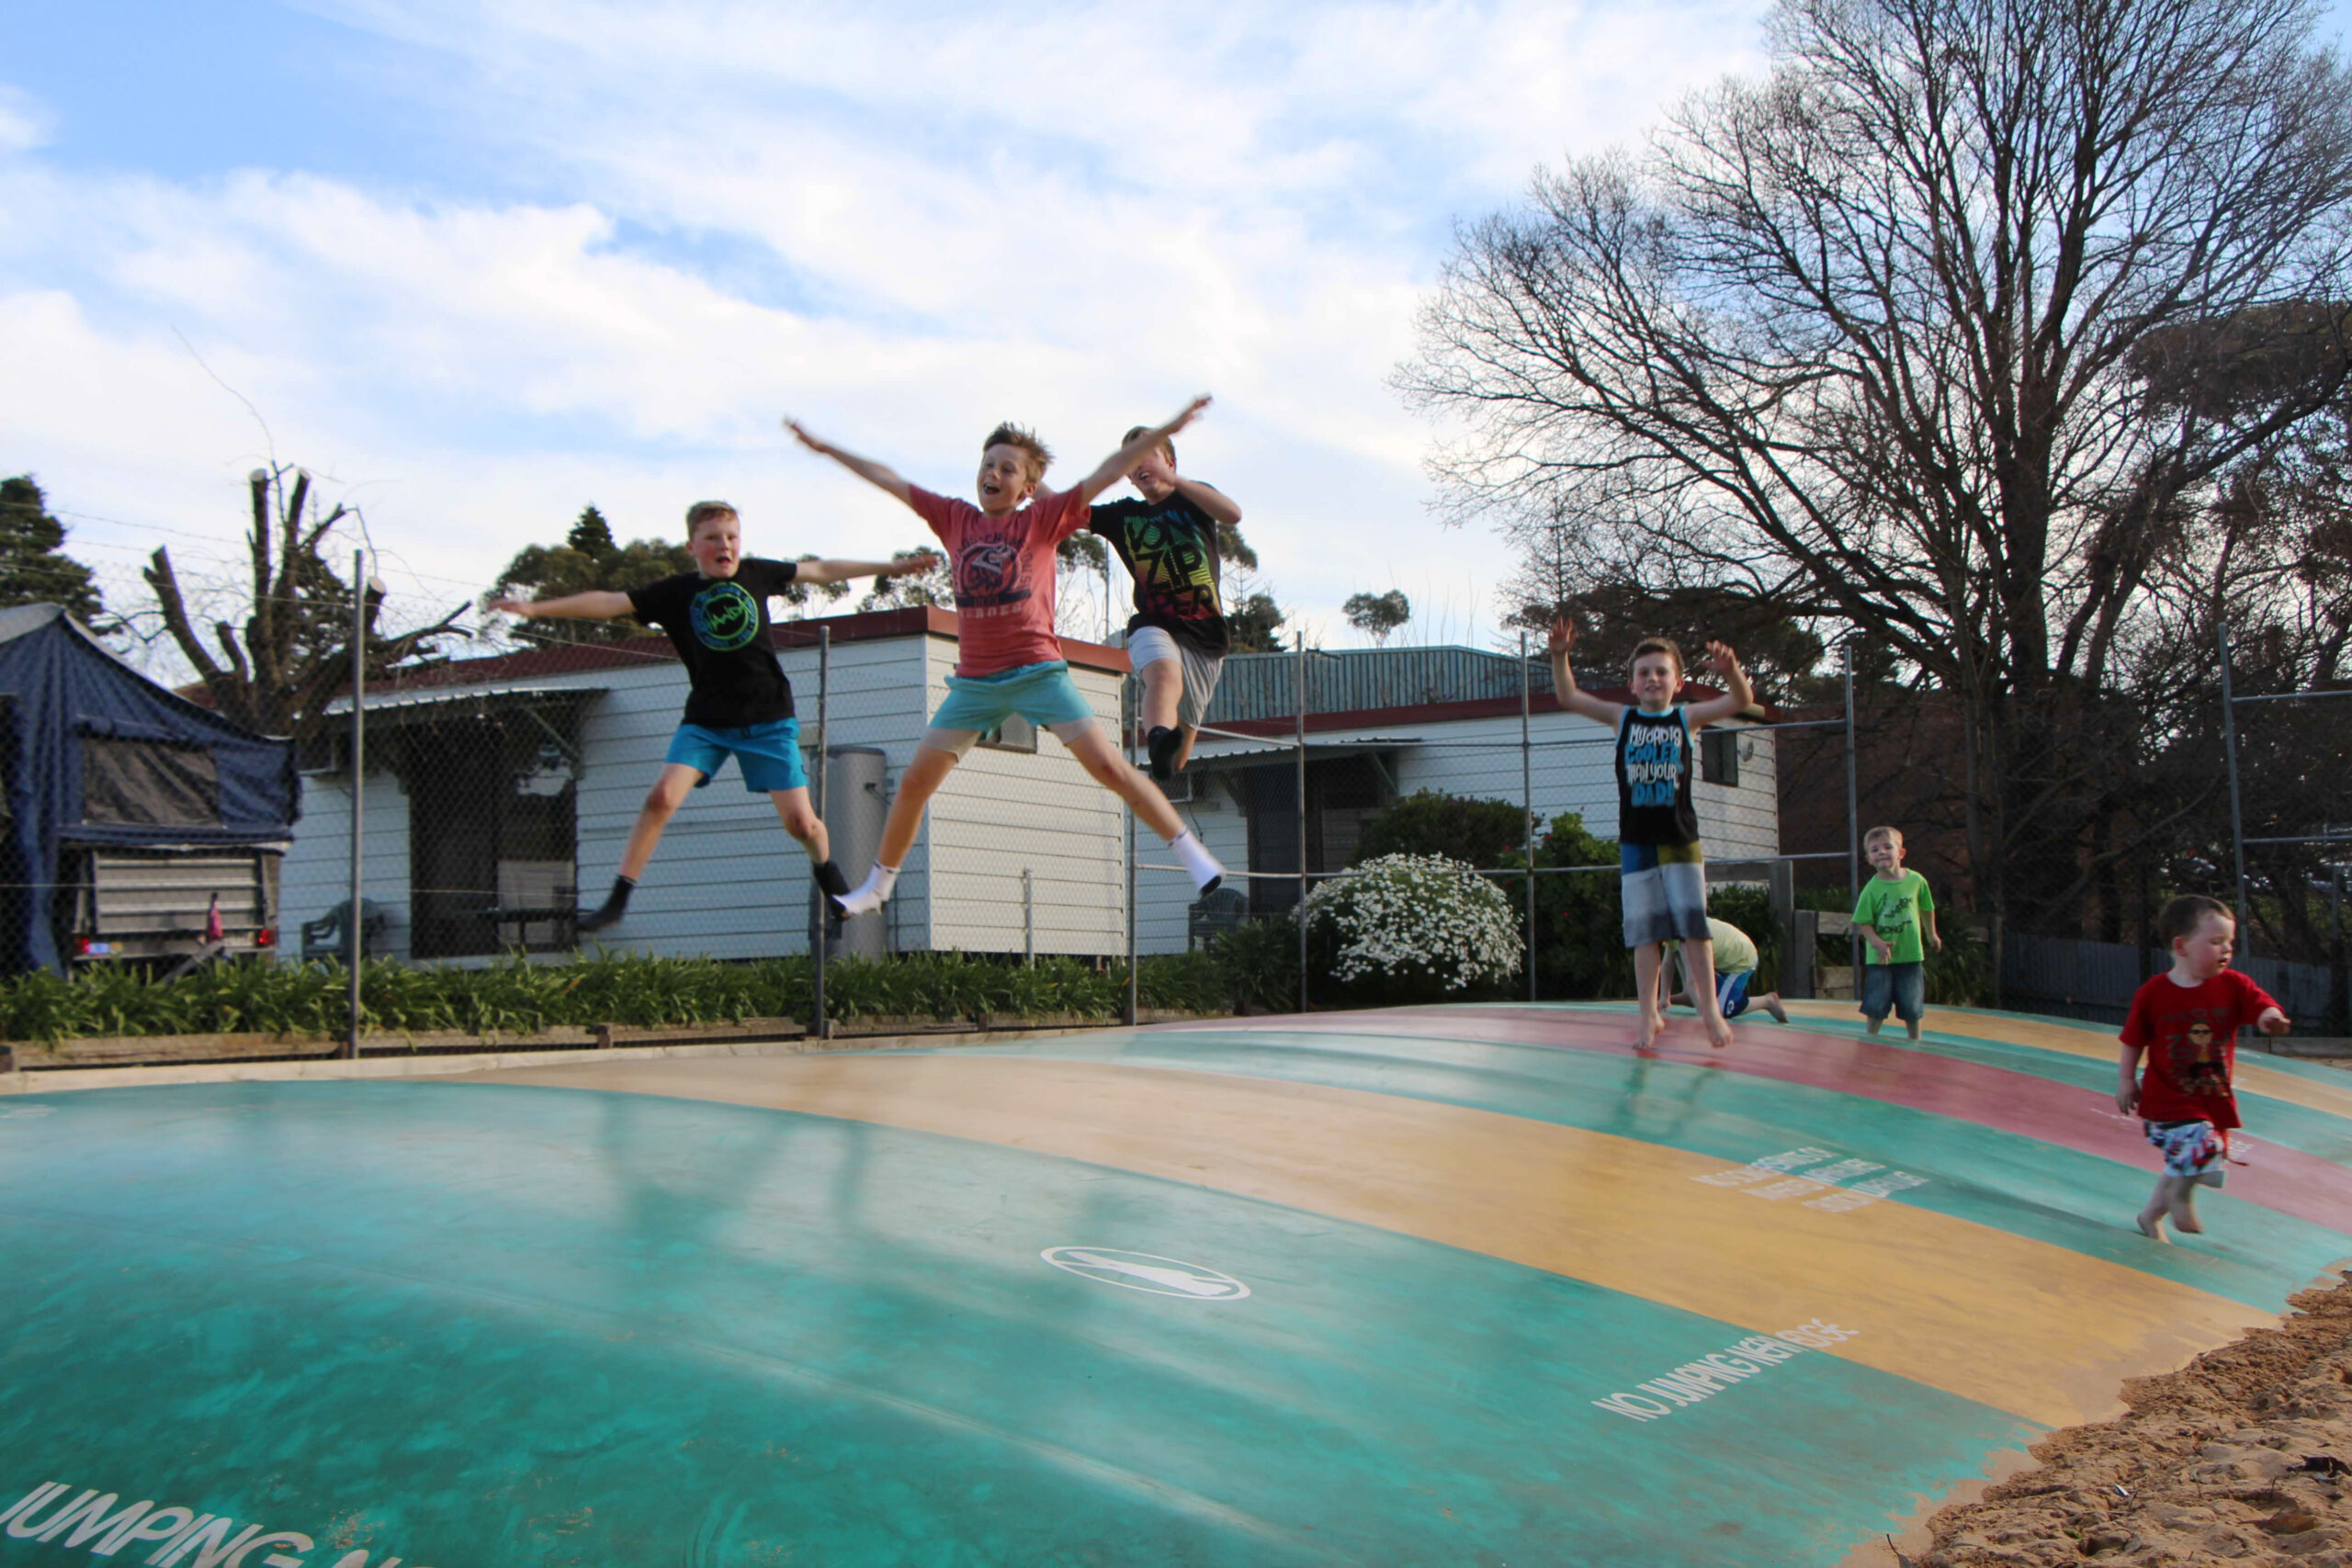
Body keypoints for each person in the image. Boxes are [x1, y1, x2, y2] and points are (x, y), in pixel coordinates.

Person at [786, 399, 1227, 918]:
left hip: (1038, 672)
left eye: (1007, 469)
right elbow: (888, 479)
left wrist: (1169, 428)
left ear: (1027, 488)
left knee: (1110, 767)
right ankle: (878, 888)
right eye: (987, 465)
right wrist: (824, 448)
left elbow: (1107, 472)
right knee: (913, 784)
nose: (993, 474)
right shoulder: (953, 518)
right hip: (975, 684)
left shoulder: (1044, 518)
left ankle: (1193, 854)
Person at [486, 501, 938, 931]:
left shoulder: (757, 574)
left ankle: (832, 882)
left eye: (732, 536)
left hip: (769, 718)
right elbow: (608, 602)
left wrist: (891, 567)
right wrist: (534, 609)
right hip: (706, 722)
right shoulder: (675, 593)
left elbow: (821, 570)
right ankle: (618, 900)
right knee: (661, 798)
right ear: (692, 547)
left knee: (801, 825)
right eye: (713, 538)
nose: (725, 546)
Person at [1547, 615, 1755, 1049]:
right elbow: (1568, 695)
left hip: (1680, 840)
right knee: (1645, 933)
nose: (1653, 678)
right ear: (1632, 684)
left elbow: (1740, 699)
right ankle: (1647, 1015)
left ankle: (1710, 1011)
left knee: (1694, 930)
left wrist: (1731, 671)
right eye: (1644, 673)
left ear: (1678, 682)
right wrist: (1561, 655)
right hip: (1637, 842)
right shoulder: (1621, 719)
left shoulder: (1687, 719)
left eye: (1662, 672)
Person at [2116, 895, 2291, 1242]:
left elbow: (2259, 1003)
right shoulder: (2154, 994)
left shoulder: (2232, 986)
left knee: (2184, 1165)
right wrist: (2125, 1080)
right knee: (2199, 1148)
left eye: (2229, 942)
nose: (2226, 949)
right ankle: (2181, 1198)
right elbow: (2133, 1039)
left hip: (2211, 1101)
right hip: (2166, 1104)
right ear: (2181, 946)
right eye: (2215, 942)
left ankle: (2151, 1216)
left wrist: (2269, 1017)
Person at [1086, 427, 1240, 778]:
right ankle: (1156, 737)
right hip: (1154, 623)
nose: (1141, 465)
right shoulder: (1124, 515)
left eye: (1149, 455)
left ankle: (1165, 754)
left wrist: (1178, 481)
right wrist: (1028, 483)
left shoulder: (1193, 499)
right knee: (1164, 676)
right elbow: (1064, 510)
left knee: (1179, 760)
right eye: (1132, 461)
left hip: (1206, 638)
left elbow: (1233, 514)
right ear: (1127, 475)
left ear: (1169, 461)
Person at [1853, 825, 1940, 1039]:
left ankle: (1915, 1040)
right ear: (1869, 859)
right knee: (1876, 1004)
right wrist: (1877, 944)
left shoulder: (1916, 881)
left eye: (1887, 846)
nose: (1881, 852)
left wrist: (1932, 935)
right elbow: (1863, 922)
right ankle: (1871, 1038)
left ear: (1901, 853)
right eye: (1874, 850)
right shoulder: (1871, 889)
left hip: (1910, 956)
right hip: (1880, 960)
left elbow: (1927, 908)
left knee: (1912, 1005)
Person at [1661, 915, 1789, 1024]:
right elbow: (1667, 964)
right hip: (1720, 958)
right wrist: (1664, 998)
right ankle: (1686, 997)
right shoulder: (1676, 929)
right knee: (1676, 953)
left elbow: (1692, 981)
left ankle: (1767, 1001)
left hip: (1741, 960)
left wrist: (1704, 1016)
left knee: (1721, 1009)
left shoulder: (1688, 937)